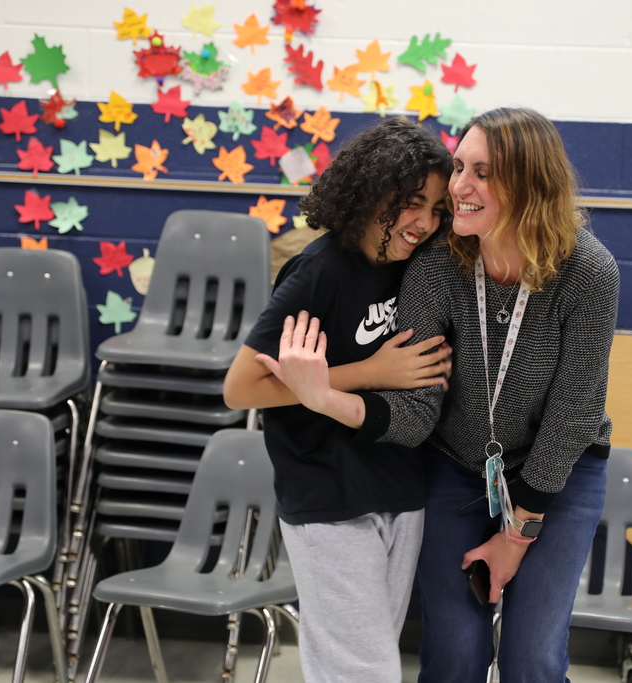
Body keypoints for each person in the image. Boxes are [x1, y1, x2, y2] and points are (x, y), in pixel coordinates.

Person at [266, 107, 620, 682]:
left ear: (530, 184)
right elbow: (415, 411)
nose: (459, 187)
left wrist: (516, 535)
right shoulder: (438, 262)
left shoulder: (588, 270)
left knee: (532, 658)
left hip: (559, 473)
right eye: (459, 167)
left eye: (483, 173)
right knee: (455, 653)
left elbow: (574, 413)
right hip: (457, 465)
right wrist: (323, 397)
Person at [223, 117, 453, 683]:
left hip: (400, 486)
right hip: (327, 492)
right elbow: (242, 387)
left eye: (436, 209)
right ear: (370, 193)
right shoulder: (319, 271)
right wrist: (372, 372)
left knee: (367, 663)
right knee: (364, 673)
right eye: (411, 203)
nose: (424, 222)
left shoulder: (416, 269)